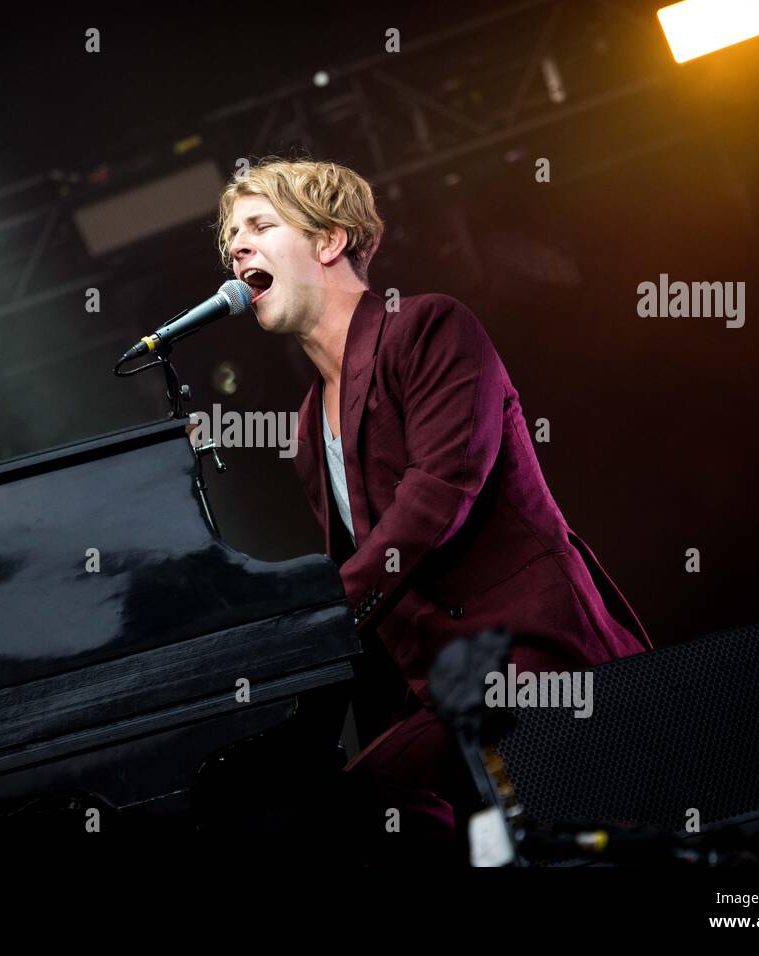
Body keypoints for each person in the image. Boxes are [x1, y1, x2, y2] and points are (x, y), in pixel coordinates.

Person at [215, 157, 653, 852]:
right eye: (231, 235)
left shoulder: (428, 328)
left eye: (260, 225)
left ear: (329, 241)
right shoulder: (304, 425)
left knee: (356, 807)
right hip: (444, 691)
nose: (236, 245)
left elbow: (437, 498)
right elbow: (368, 605)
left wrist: (308, 620)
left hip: (535, 658)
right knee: (322, 812)